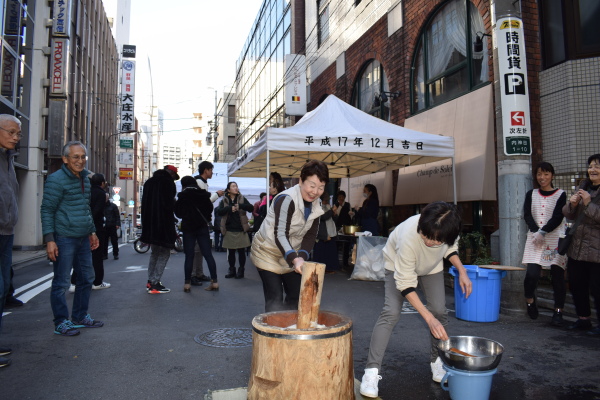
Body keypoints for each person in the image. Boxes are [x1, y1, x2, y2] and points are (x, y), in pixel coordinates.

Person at [359, 201, 472, 398]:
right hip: (397, 266)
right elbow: (405, 284)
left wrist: (462, 270)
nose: (429, 242)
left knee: (439, 310)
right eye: (426, 236)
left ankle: (437, 361)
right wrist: (428, 318)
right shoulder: (410, 236)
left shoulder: (447, 228)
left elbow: (450, 248)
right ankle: (371, 371)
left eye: (436, 240)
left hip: (431, 267)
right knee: (391, 312)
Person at [41, 141, 104, 336]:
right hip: (64, 237)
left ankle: (79, 316)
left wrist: (92, 232)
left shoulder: (85, 179)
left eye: (83, 157)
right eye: (75, 157)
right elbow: (47, 209)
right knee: (61, 282)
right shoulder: (56, 179)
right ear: (65, 159)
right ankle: (61, 321)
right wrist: (49, 239)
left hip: (83, 237)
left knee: (87, 278)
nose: (80, 161)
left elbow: (85, 208)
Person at [251, 160, 328, 312]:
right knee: (275, 299)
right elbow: (280, 234)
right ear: (301, 181)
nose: (315, 192)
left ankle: (289, 330)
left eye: (321, 188)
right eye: (312, 185)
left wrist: (301, 257)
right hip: (267, 252)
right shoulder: (286, 199)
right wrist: (295, 258)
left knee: (295, 295)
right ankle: (273, 332)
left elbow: (310, 235)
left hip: (291, 254)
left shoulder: (316, 204)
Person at [521, 162, 567, 325]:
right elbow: (527, 214)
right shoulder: (531, 194)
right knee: (531, 275)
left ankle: (558, 311)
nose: (542, 177)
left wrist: (543, 231)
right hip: (534, 238)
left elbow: (558, 216)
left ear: (552, 175)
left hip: (554, 239)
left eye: (546, 174)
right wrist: (536, 231)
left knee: (557, 277)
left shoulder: (561, 194)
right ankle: (530, 301)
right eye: (539, 174)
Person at [561, 153, 600, 336]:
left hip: (597, 249)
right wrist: (572, 204)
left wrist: (588, 203)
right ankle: (583, 319)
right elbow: (568, 214)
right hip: (577, 247)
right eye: (591, 166)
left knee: (597, 288)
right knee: (577, 284)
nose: (593, 170)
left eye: (597, 167)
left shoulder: (590, 195)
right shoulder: (582, 186)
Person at [0, 114, 21, 366]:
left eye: (18, 134)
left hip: (6, 232)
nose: (16, 137)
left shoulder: (8, 159)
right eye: (11, 132)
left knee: (3, 287)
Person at [174, 176, 219, 292]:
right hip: (202, 228)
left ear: (184, 185)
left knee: (189, 256)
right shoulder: (203, 194)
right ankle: (215, 282)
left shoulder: (183, 196)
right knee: (208, 255)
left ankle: (187, 284)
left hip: (189, 228)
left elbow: (178, 213)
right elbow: (210, 209)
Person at [141, 165, 179, 294]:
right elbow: (169, 205)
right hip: (163, 224)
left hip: (150, 224)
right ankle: (155, 283)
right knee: (164, 253)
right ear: (171, 174)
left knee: (154, 253)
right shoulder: (168, 183)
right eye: (174, 176)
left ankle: (150, 281)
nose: (173, 178)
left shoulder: (149, 182)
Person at [191, 161, 224, 285]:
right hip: (198, 221)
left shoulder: (202, 182)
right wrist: (217, 194)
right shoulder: (199, 182)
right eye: (211, 170)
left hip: (201, 220)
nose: (212, 173)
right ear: (206, 170)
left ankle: (198, 273)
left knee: (199, 249)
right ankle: (194, 274)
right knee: (197, 249)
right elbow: (204, 202)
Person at [217, 182, 253, 279]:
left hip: (241, 229)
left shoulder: (241, 198)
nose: (236, 188)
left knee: (241, 251)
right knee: (231, 251)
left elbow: (251, 208)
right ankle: (231, 269)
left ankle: (241, 270)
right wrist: (229, 208)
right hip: (229, 229)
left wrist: (240, 206)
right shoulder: (224, 200)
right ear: (228, 190)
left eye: (236, 186)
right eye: (233, 186)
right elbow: (218, 212)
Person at [89, 173, 110, 290]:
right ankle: (97, 281)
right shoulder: (101, 193)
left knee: (82, 255)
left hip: (83, 226)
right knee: (97, 255)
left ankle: (75, 281)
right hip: (96, 227)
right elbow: (97, 211)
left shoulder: (87, 191)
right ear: (102, 183)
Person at [313, 191, 339, 273]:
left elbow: (333, 218)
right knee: (322, 251)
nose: (327, 199)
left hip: (331, 230)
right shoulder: (317, 207)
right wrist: (331, 211)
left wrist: (334, 213)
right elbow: (323, 217)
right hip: (323, 231)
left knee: (330, 251)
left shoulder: (328, 206)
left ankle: (330, 267)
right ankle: (321, 268)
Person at [333, 190, 352, 269]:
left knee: (346, 244)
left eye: (342, 197)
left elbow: (350, 215)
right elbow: (335, 215)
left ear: (344, 197)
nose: (341, 199)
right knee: (337, 244)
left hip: (346, 226)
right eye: (339, 197)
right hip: (337, 226)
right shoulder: (336, 205)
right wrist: (338, 207)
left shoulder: (348, 205)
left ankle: (345, 262)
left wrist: (351, 214)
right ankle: (336, 262)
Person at [104, 193, 121, 260]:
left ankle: (115, 254)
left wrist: (117, 224)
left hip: (112, 225)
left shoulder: (113, 206)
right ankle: (104, 254)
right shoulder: (101, 205)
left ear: (108, 198)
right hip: (104, 226)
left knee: (114, 241)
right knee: (104, 241)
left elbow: (117, 216)